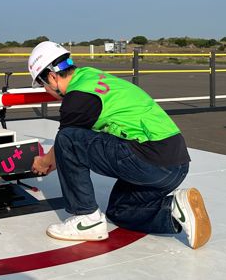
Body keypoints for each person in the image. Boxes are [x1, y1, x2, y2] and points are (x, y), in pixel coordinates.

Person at [28, 40, 211, 249]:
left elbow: (67, 143)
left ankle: (86, 219)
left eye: (43, 85)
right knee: (120, 211)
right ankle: (174, 210)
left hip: (150, 158)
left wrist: (43, 163)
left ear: (51, 76)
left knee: (67, 139)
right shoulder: (91, 75)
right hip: (175, 164)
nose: (45, 91)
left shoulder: (78, 97)